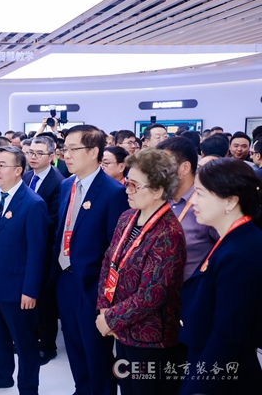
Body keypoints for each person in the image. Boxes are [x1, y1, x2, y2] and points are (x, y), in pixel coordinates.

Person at [96, 148, 187, 395]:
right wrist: (104, 309)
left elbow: (152, 295)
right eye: (128, 182)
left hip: (150, 337)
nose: (127, 190)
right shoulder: (127, 217)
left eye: (135, 185)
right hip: (121, 328)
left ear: (157, 190)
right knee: (126, 387)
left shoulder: (168, 233)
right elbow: (108, 262)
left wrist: (110, 319)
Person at [52, 125, 129, 395]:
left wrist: (107, 298)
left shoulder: (112, 192)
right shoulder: (67, 185)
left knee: (96, 350)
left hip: (94, 285)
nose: (66, 155)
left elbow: (115, 250)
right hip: (65, 278)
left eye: (74, 149)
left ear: (94, 151)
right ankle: (82, 389)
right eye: (65, 149)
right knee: (73, 344)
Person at [179, 159, 262, 395]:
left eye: (201, 193)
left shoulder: (240, 252)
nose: (194, 201)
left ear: (231, 201)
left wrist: (199, 386)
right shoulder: (233, 239)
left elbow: (227, 334)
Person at [0, 146, 49, 395]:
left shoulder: (33, 204)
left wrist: (30, 290)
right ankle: (2, 375)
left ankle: (28, 387)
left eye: (2, 165)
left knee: (24, 341)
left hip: (18, 288)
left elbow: (37, 253)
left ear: (18, 170)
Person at [22, 135, 64, 365]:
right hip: (24, 247)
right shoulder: (26, 176)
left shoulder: (59, 182)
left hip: (45, 249)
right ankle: (32, 337)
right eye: (31, 152)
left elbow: (54, 220)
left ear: (51, 156)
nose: (33, 157)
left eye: (39, 153)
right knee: (29, 295)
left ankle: (48, 346)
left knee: (45, 300)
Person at [157, 137, 218, 281]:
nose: (158, 172)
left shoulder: (206, 205)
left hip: (191, 288)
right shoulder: (158, 199)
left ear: (184, 168)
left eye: (163, 166)